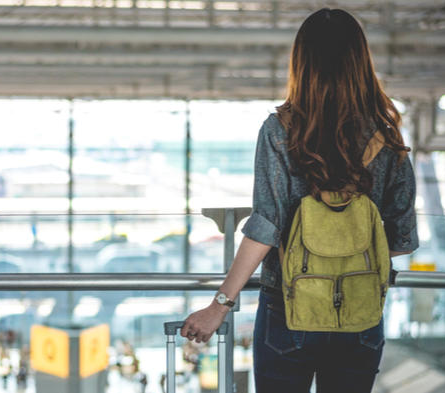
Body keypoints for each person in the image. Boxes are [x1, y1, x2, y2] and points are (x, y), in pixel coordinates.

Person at [179, 8, 419, 393]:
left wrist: (219, 305)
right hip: (360, 313)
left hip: (288, 309)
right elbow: (402, 238)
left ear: (302, 62)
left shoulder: (280, 130)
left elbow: (266, 226)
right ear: (360, 61)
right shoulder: (387, 138)